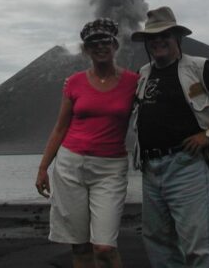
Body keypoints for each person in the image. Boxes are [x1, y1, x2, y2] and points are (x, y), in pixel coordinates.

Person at [131, 6, 209, 268]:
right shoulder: (143, 74)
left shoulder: (197, 67)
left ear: (177, 38)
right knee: (158, 242)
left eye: (164, 35)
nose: (158, 41)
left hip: (186, 165)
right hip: (150, 168)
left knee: (199, 246)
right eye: (152, 37)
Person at [36, 18, 140, 268]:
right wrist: (43, 168)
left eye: (105, 41)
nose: (100, 46)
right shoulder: (74, 82)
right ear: (86, 49)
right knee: (80, 246)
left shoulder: (133, 82)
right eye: (93, 43)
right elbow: (60, 127)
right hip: (70, 165)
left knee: (104, 247)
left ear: (115, 45)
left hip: (110, 169)